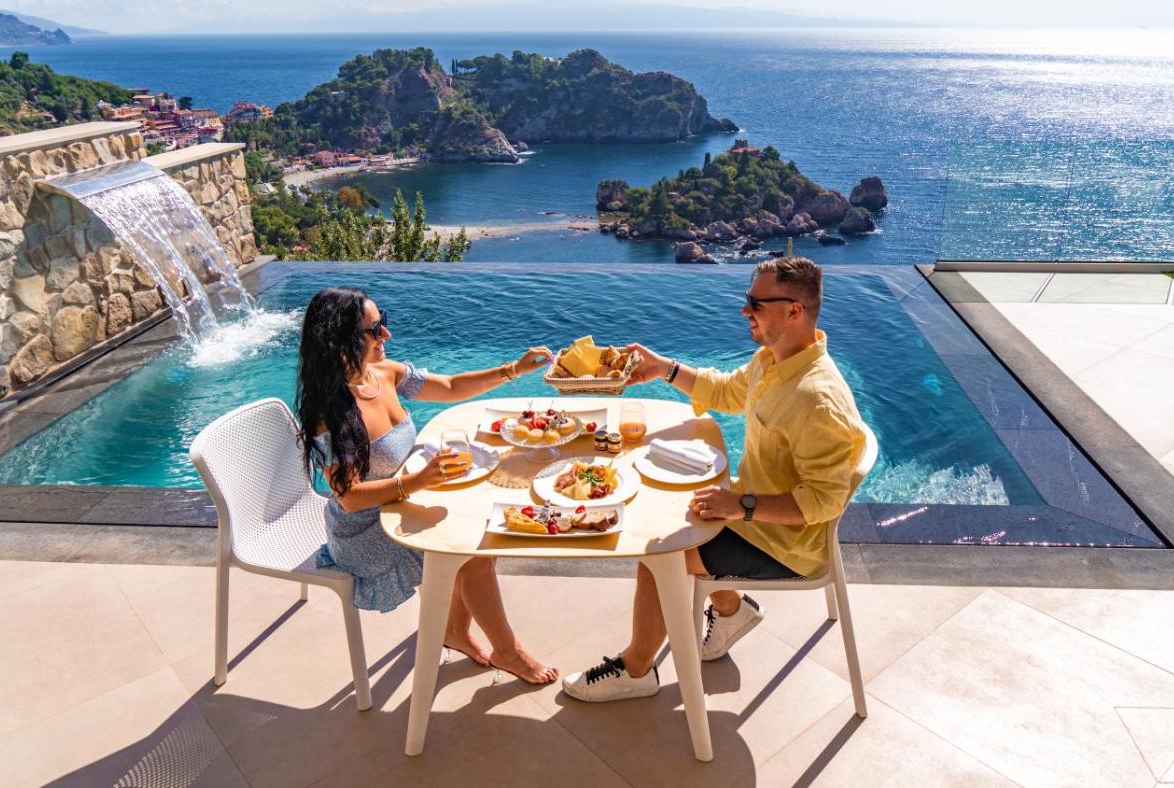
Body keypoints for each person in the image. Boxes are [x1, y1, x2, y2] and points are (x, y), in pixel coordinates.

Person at [562, 257, 872, 702]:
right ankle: (731, 611)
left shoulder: (816, 400)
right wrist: (664, 369)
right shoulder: (774, 361)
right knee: (668, 508)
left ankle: (636, 670)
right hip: (752, 512)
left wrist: (740, 506)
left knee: (660, 554)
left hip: (785, 544)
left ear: (794, 311)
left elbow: (824, 502)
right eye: (748, 300)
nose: (745, 311)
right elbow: (727, 392)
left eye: (756, 304)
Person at [296, 286, 557, 684]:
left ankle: (453, 630)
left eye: (383, 322)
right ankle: (507, 651)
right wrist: (417, 481)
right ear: (340, 340)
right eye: (373, 329)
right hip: (366, 530)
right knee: (472, 553)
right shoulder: (329, 412)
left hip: (402, 502)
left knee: (481, 531)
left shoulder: (384, 373)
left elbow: (450, 387)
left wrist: (513, 370)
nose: (386, 334)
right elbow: (349, 499)